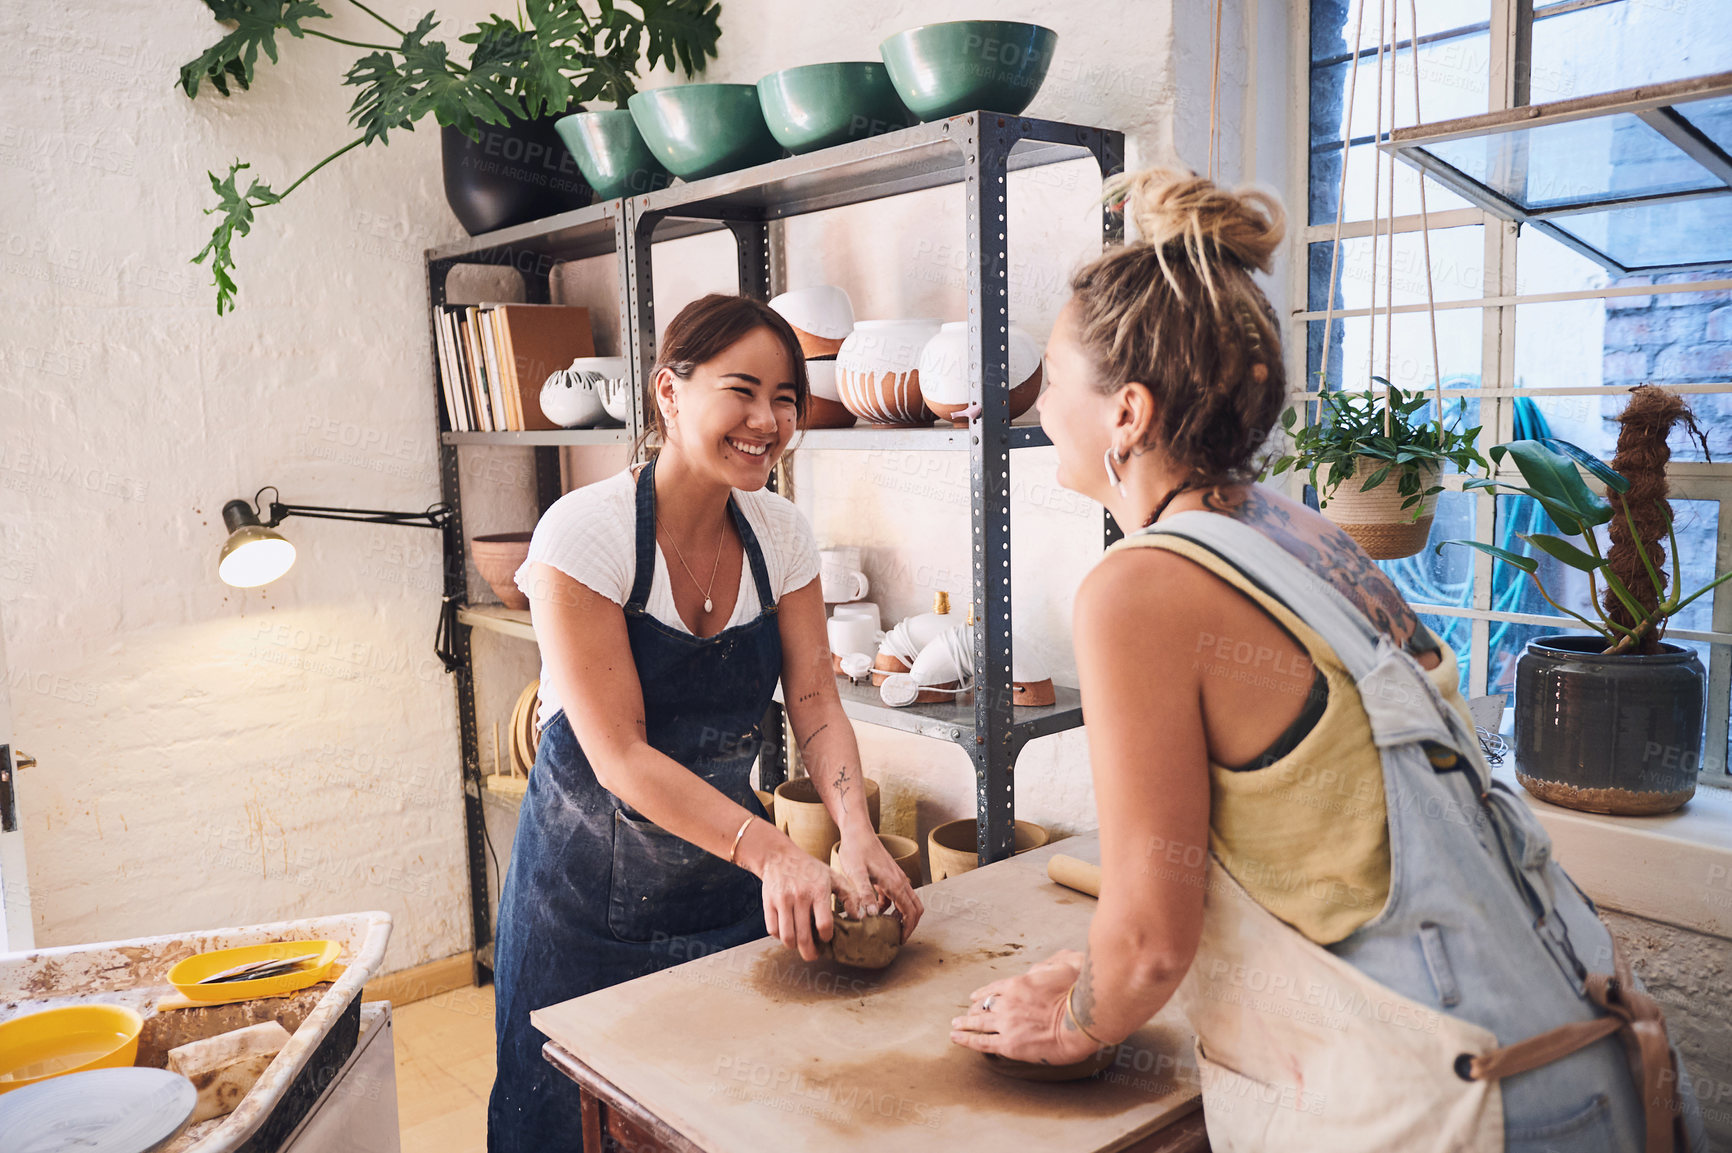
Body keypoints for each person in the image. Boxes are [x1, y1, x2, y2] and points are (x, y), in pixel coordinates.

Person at [948, 170, 1705, 1152]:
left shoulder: (1137, 588)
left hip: (1471, 1105)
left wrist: (1077, 1020)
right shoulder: (1298, 531)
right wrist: (1099, 957)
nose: (1039, 401)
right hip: (1584, 1053)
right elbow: (1311, 835)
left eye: (1051, 375)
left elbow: (1148, 943)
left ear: (1126, 412)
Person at [489, 294, 923, 1152]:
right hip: (579, 911)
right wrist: (774, 850)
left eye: (788, 397)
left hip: (720, 888)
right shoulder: (587, 534)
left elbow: (815, 702)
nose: (769, 419)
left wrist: (856, 833)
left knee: (716, 1118)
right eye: (743, 390)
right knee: (568, 1128)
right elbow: (617, 754)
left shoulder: (781, 534)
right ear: (669, 394)